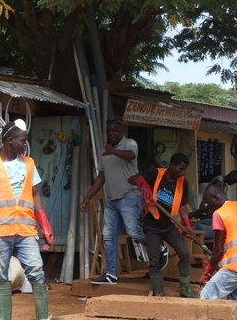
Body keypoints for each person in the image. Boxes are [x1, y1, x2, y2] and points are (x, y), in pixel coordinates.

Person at [0, 119, 56, 320]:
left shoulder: (29, 164)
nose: (25, 145)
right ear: (10, 141)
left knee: (36, 272)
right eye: (23, 141)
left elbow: (36, 194)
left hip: (26, 229)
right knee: (0, 274)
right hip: (0, 231)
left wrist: (45, 225)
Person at [80, 119, 156, 284]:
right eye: (109, 131)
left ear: (122, 132)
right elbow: (101, 177)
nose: (111, 133)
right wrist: (88, 198)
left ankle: (157, 247)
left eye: (115, 131)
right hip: (112, 200)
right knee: (108, 236)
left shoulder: (130, 143)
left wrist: (113, 151)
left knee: (133, 232)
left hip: (129, 196)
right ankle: (111, 275)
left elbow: (130, 156)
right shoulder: (105, 152)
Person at [130, 153, 196, 297]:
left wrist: (188, 225)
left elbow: (183, 207)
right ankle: (158, 292)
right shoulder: (156, 173)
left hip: (169, 226)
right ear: (172, 166)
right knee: (154, 261)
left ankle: (186, 289)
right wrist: (144, 184)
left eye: (184, 170)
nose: (182, 172)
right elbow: (132, 179)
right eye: (180, 168)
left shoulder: (183, 183)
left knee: (184, 253)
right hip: (152, 226)